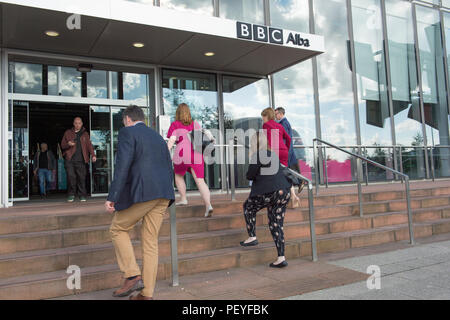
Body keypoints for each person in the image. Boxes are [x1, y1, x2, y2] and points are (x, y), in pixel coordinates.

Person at [105, 105, 175, 300]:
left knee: (117, 229)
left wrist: (113, 196)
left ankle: (132, 274)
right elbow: (168, 166)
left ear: (128, 119)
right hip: (163, 194)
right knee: (150, 242)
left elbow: (122, 166)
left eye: (123, 121)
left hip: (144, 193)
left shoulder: (127, 132)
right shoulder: (158, 138)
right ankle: (147, 294)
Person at [240, 132, 292, 268]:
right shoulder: (272, 155)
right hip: (284, 192)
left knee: (248, 207)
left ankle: (252, 237)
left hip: (270, 192)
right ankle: (281, 257)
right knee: (276, 224)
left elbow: (250, 176)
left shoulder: (257, 155)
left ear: (254, 143)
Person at [167, 103, 213, 218]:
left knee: (178, 176)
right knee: (200, 181)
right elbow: (206, 135)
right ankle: (208, 205)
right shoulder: (195, 124)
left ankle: (183, 199)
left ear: (177, 113)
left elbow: (172, 141)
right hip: (196, 154)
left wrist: (165, 152)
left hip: (181, 153)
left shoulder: (175, 124)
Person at [61, 117, 96, 202]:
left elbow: (89, 146)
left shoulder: (85, 134)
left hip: (81, 160)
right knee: (71, 177)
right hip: (70, 159)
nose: (77, 125)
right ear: (73, 123)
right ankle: (71, 194)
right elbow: (62, 145)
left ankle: (82, 195)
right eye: (76, 123)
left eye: (79, 123)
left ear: (82, 124)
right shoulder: (68, 132)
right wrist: (68, 144)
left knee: (81, 178)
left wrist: (93, 155)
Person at [275, 107, 301, 207]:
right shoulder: (284, 123)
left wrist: (283, 154)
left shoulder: (284, 123)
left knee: (286, 175)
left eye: (276, 114)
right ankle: (293, 196)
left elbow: (285, 139)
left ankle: (293, 196)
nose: (276, 116)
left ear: (281, 114)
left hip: (285, 154)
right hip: (286, 153)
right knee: (286, 175)